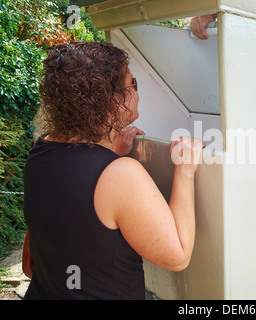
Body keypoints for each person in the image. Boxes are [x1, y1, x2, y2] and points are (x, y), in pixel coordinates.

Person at [22, 41, 204, 300]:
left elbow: (31, 264)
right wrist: (185, 170)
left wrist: (111, 156)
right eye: (134, 84)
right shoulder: (120, 175)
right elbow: (178, 255)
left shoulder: (40, 152)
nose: (137, 92)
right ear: (114, 100)